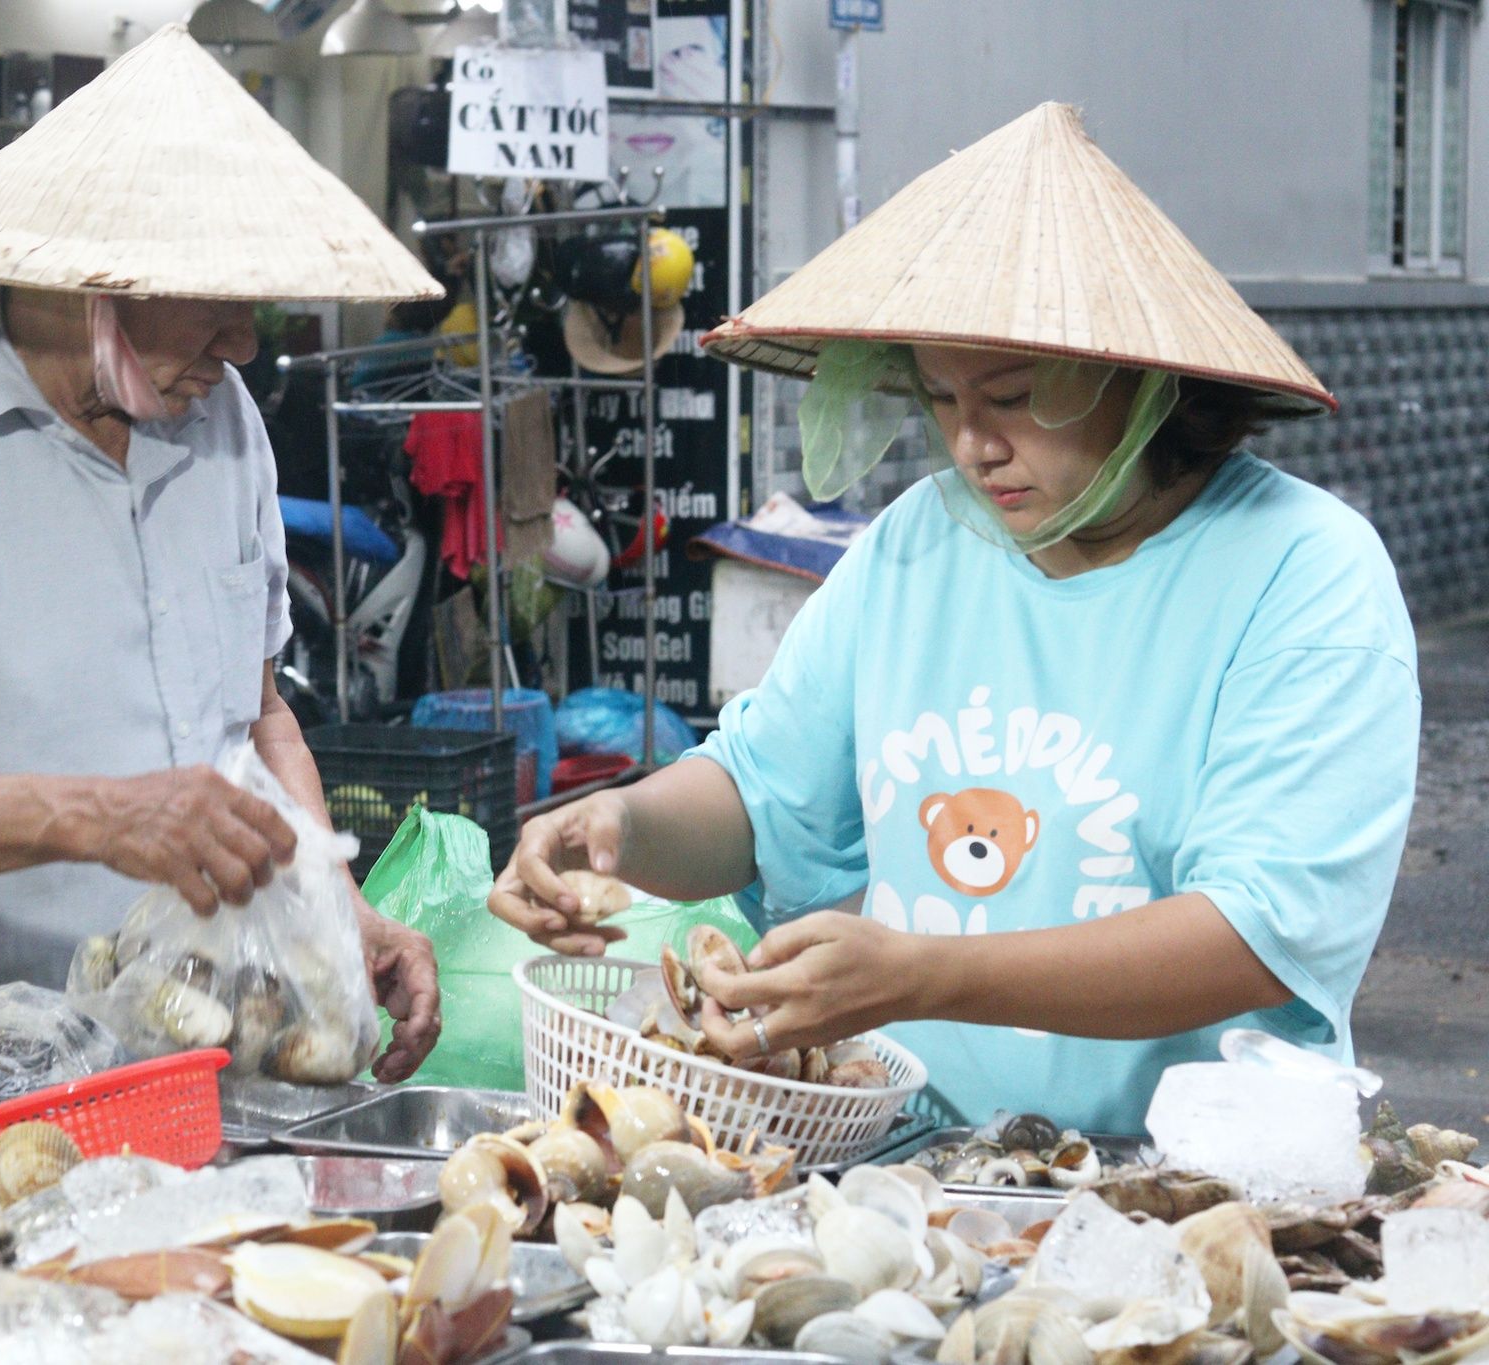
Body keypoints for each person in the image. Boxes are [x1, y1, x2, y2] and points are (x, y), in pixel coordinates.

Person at [487, 103, 1420, 1132]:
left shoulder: (1301, 573)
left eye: (1014, 397)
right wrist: (617, 828)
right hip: (917, 1159)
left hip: (1195, 1181)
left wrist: (924, 976)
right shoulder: (919, 542)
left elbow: (1252, 937)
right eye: (938, 398)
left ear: (1143, 380)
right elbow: (762, 796)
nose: (971, 446)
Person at [0, 26, 447, 1082]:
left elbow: (255, 717)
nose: (244, 344)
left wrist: (336, 907)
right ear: (89, 279)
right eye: (214, 301)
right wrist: (99, 816)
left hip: (185, 1059)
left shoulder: (223, 422)